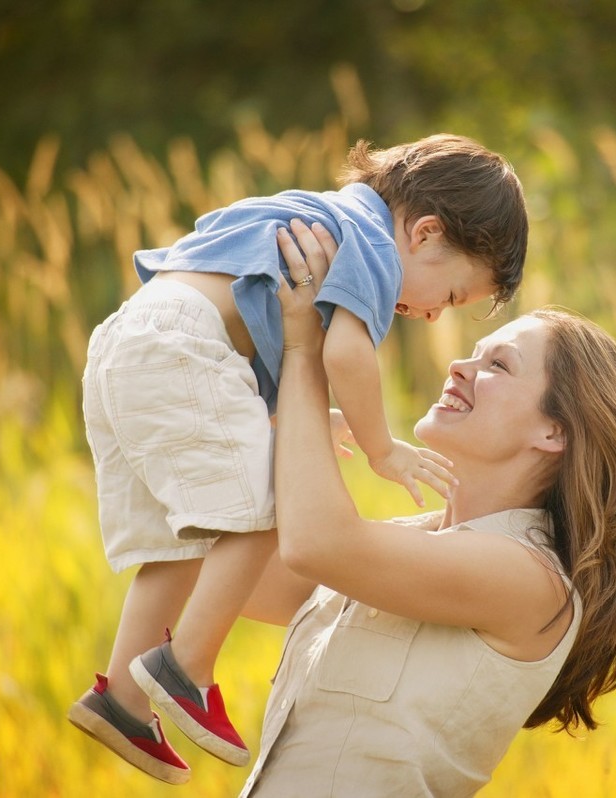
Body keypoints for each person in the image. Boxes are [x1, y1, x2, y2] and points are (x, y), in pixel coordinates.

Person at [68, 134, 530, 784]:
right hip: (180, 347)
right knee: (272, 500)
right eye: (450, 296)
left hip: (129, 342)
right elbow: (344, 355)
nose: (431, 315)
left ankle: (121, 699)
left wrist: (297, 413)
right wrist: (381, 448)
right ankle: (186, 667)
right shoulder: (370, 247)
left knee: (181, 545)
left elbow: (235, 305)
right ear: (424, 233)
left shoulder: (308, 211)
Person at [233, 222, 616, 796]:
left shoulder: (531, 579)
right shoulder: (405, 544)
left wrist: (302, 352)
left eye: (498, 366)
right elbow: (218, 570)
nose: (459, 369)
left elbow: (317, 544)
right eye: (472, 355)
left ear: (554, 431)